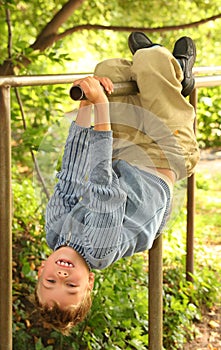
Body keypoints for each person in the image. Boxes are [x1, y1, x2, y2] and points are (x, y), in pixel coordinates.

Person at [34, 32, 200, 335]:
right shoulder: (100, 249)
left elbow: (70, 173)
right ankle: (175, 74)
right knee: (152, 61)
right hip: (164, 154)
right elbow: (101, 186)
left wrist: (86, 103)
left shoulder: (55, 231)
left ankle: (169, 73)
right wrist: (101, 107)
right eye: (71, 286)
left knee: (106, 71)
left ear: (40, 271)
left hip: (124, 153)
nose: (61, 275)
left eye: (51, 281)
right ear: (89, 281)